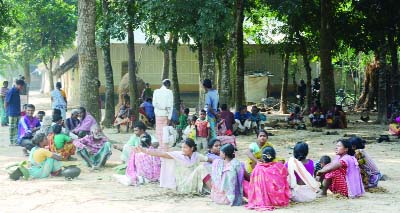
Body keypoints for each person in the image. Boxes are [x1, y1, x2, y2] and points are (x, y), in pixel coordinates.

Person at [135, 138, 212, 194]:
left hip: (194, 183)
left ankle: (214, 190)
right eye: (182, 147)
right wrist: (145, 151)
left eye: (185, 147)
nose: (182, 149)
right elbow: (161, 154)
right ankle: (213, 192)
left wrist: (221, 161)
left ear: (192, 148)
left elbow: (208, 159)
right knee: (201, 168)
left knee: (208, 167)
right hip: (183, 186)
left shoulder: (196, 156)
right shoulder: (178, 155)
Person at [245, 147, 290, 211]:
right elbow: (286, 175)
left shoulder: (257, 168)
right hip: (278, 199)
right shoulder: (279, 166)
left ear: (263, 157)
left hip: (261, 199)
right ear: (274, 156)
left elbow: (252, 184)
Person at [153, 79, 174, 151]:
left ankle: (161, 147)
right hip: (165, 114)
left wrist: (160, 107)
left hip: (158, 114)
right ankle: (165, 148)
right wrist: (169, 117)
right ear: (168, 85)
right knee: (165, 132)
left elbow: (154, 104)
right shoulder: (169, 92)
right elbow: (170, 106)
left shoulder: (156, 91)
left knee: (159, 132)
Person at [5, 79, 24, 145]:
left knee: (18, 127)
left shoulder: (17, 91)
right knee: (12, 128)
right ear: (18, 85)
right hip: (12, 113)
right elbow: (6, 102)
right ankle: (12, 142)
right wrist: (7, 111)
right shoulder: (11, 91)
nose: (22, 88)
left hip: (17, 112)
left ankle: (16, 141)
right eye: (21, 86)